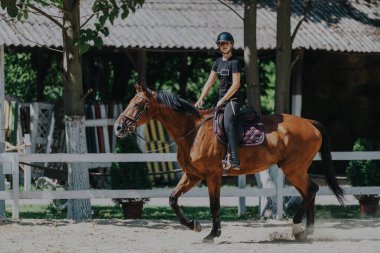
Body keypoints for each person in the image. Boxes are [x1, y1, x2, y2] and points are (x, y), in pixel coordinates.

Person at [194, 32, 243, 170]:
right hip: (221, 101)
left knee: (228, 124)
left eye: (227, 43)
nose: (224, 45)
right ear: (218, 46)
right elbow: (209, 83)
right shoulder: (217, 62)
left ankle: (234, 159)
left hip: (233, 100)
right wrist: (201, 98)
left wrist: (223, 99)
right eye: (222, 43)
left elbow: (236, 85)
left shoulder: (235, 62)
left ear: (231, 45)